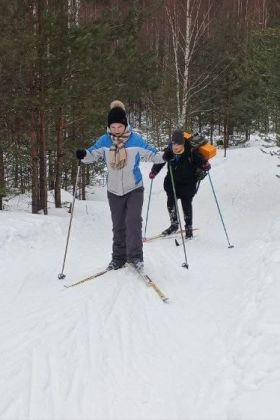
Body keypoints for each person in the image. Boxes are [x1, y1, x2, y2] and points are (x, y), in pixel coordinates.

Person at [76, 100, 165, 271]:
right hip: (114, 190)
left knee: (133, 221)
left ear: (125, 125)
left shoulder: (135, 140)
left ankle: (136, 257)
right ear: (109, 127)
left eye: (119, 126)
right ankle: (118, 258)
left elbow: (153, 154)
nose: (116, 130)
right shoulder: (104, 141)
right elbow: (91, 155)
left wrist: (165, 155)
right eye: (113, 127)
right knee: (118, 225)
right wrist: (83, 154)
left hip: (134, 188)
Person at [149, 129, 211, 239]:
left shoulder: (191, 152)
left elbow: (202, 163)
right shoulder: (168, 151)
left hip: (188, 185)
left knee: (186, 206)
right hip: (172, 184)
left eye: (178, 144)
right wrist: (154, 171)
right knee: (170, 204)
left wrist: (205, 165)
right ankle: (174, 225)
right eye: (173, 144)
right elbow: (160, 162)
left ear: (182, 143)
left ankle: (188, 228)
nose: (175, 146)